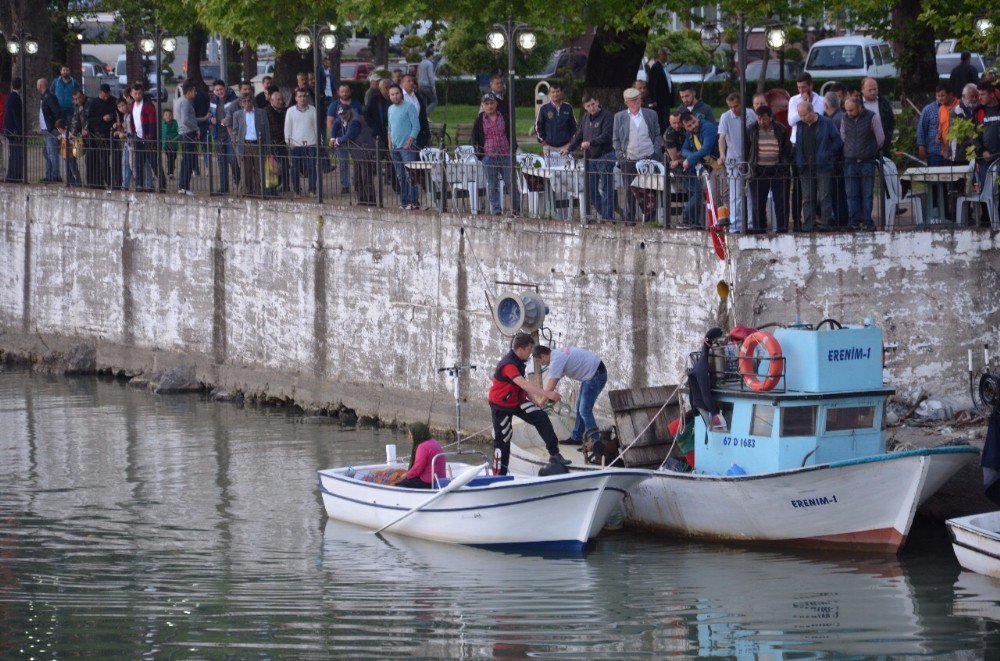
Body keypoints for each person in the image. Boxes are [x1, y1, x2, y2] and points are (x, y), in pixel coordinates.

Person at [488, 333, 566, 475]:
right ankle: (498, 476)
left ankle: (555, 454)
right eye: (529, 350)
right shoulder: (509, 365)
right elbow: (523, 383)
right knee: (503, 439)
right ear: (521, 349)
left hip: (516, 402)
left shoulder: (519, 362)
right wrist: (548, 394)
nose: (531, 354)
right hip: (501, 406)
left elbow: (522, 386)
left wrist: (534, 400)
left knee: (540, 417)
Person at [532, 345, 607, 447]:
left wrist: (540, 403)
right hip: (593, 373)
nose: (540, 364)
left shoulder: (556, 360)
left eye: (538, 361)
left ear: (543, 356)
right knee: (580, 408)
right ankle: (577, 438)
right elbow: (555, 379)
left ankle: (596, 443)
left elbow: (550, 388)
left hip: (595, 375)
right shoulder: (557, 354)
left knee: (584, 410)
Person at [612, 86, 662, 224]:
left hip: (649, 156)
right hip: (629, 158)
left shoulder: (651, 114)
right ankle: (630, 219)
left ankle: (651, 219)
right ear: (626, 102)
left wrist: (656, 152)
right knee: (629, 190)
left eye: (638, 99)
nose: (636, 102)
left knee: (650, 188)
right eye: (632, 100)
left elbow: (657, 134)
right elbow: (615, 139)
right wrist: (620, 156)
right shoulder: (620, 117)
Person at [562, 95, 615, 221]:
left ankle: (608, 217)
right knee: (591, 190)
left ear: (597, 102)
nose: (592, 108)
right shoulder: (586, 118)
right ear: (585, 108)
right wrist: (569, 148)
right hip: (591, 158)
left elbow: (606, 135)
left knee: (606, 188)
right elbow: (579, 135)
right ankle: (605, 213)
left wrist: (590, 142)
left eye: (593, 104)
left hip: (605, 156)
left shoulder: (607, 116)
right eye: (588, 106)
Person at [794, 101, 841, 232]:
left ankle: (826, 224)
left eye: (804, 115)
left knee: (825, 196)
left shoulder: (826, 123)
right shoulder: (800, 125)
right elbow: (798, 145)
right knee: (807, 198)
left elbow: (837, 141)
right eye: (800, 115)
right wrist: (799, 160)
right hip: (805, 167)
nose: (802, 118)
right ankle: (808, 225)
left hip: (823, 165)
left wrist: (828, 155)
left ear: (812, 111)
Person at [747, 105, 792, 233]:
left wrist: (784, 164)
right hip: (758, 169)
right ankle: (759, 230)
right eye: (759, 119)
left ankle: (782, 230)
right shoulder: (751, 129)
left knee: (781, 202)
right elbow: (747, 149)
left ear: (771, 117)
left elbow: (787, 149)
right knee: (758, 203)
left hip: (778, 169)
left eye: (765, 119)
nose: (762, 122)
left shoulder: (780, 129)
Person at [841, 97, 885, 230]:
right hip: (850, 160)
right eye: (847, 110)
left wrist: (869, 150)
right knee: (851, 193)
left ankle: (867, 221)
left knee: (867, 193)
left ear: (859, 107)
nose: (849, 113)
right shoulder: (845, 119)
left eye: (852, 110)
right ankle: (853, 221)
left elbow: (880, 138)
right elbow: (843, 136)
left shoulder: (872, 117)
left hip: (867, 160)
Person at [717, 93, 757, 233]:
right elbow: (721, 138)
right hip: (733, 160)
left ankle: (750, 224)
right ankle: (735, 225)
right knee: (735, 195)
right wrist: (722, 154)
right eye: (731, 107)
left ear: (742, 104)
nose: (734, 109)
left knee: (750, 193)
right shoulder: (725, 117)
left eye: (736, 106)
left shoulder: (750, 114)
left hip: (749, 159)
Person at [679, 111, 719, 227]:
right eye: (689, 126)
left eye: (694, 122)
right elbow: (684, 150)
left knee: (718, 197)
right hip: (709, 167)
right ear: (685, 128)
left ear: (696, 118)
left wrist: (690, 159)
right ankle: (711, 224)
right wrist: (691, 157)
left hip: (719, 165)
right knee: (710, 196)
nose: (693, 126)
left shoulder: (708, 128)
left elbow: (705, 149)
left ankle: (718, 224)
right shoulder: (690, 133)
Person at [332, 105, 377, 205]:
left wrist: (338, 140)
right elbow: (335, 123)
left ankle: (371, 201)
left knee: (366, 178)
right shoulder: (343, 118)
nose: (342, 116)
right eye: (340, 114)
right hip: (357, 153)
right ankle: (362, 200)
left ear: (349, 111)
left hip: (365, 151)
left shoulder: (355, 121)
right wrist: (332, 138)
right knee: (357, 178)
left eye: (344, 113)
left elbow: (350, 135)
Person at [387, 84, 420, 210]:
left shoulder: (409, 107)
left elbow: (416, 127)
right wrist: (389, 143)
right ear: (389, 96)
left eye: (397, 93)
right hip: (394, 148)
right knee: (400, 176)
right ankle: (404, 201)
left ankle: (414, 202)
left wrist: (409, 142)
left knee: (409, 175)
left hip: (407, 148)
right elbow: (389, 128)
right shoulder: (390, 109)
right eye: (392, 94)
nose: (395, 96)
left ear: (401, 94)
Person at [231, 92, 270, 197]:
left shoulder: (261, 113)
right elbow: (235, 130)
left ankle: (258, 191)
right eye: (244, 101)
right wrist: (236, 141)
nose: (247, 103)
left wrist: (267, 147)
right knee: (245, 170)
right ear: (241, 104)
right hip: (245, 145)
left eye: (249, 101)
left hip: (257, 144)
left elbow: (266, 130)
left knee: (259, 170)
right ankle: (247, 191)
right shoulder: (238, 114)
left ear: (252, 102)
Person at [326, 84, 363, 194]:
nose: (344, 94)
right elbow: (331, 122)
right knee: (343, 162)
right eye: (342, 91)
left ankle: (358, 183)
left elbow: (361, 121)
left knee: (358, 162)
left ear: (350, 91)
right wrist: (334, 137)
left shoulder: (356, 104)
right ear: (338, 92)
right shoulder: (334, 105)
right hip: (341, 139)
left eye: (346, 91)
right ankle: (345, 185)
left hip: (355, 139)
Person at [284, 88, 318, 197]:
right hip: (296, 144)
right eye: (300, 96)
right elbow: (287, 128)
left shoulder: (313, 110)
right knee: (295, 169)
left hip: (311, 143)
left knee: (312, 168)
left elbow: (316, 127)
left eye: (304, 96)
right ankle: (297, 190)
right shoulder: (290, 111)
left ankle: (312, 190)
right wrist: (289, 143)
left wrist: (316, 141)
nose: (302, 98)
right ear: (295, 98)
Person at [394, 422, 446, 489]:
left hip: (429, 482)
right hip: (440, 478)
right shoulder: (434, 442)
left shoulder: (422, 447)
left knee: (399, 484)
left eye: (411, 435)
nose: (409, 437)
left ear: (417, 434)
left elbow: (418, 468)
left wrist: (405, 475)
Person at [86, 83, 117, 188]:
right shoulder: (94, 103)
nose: (106, 97)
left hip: (111, 133)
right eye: (104, 95)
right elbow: (90, 120)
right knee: (100, 160)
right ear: (100, 93)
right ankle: (100, 181)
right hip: (98, 134)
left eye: (107, 95)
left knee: (108, 159)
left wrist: (111, 118)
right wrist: (101, 119)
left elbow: (117, 114)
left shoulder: (113, 101)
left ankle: (111, 182)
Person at [535, 82, 576, 153]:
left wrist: (572, 140)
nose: (555, 94)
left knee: (567, 165)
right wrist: (542, 140)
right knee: (549, 165)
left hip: (565, 146)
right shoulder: (544, 109)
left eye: (557, 91)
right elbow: (538, 126)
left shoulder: (568, 107)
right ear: (549, 94)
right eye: (553, 92)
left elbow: (574, 125)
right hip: (549, 146)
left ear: (562, 93)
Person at [174, 80, 199, 196]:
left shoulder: (179, 101)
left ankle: (182, 186)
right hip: (188, 134)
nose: (195, 93)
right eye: (194, 91)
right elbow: (185, 120)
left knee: (186, 161)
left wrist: (203, 119)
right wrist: (196, 128)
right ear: (188, 91)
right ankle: (184, 186)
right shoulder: (186, 102)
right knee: (189, 161)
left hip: (182, 134)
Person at [861, 78, 895, 158]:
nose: (873, 92)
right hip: (864, 148)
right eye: (870, 90)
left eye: (875, 89)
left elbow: (891, 121)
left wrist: (887, 138)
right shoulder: (857, 104)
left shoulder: (884, 102)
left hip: (883, 147)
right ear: (862, 90)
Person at [38, 78, 62, 182]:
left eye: (37, 85)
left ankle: (55, 175)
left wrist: (53, 127)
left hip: (50, 129)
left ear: (40, 86)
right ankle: (50, 175)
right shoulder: (46, 97)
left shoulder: (48, 97)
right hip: (46, 129)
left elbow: (56, 112)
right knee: (46, 153)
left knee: (52, 153)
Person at [646, 47, 674, 130]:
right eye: (665, 54)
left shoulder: (664, 67)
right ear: (660, 55)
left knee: (666, 119)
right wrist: (653, 99)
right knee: (662, 120)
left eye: (668, 55)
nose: (666, 57)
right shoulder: (656, 67)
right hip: (660, 100)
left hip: (666, 100)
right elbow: (652, 84)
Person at [3, 77, 24, 183]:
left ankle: (12, 175)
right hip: (14, 131)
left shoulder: (10, 97)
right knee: (16, 153)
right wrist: (20, 130)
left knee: (13, 153)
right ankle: (15, 175)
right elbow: (17, 116)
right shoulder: (16, 98)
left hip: (8, 129)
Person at [417, 48, 438, 115]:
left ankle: (423, 117)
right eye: (432, 56)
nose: (433, 58)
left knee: (423, 103)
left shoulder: (421, 63)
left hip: (420, 85)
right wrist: (433, 86)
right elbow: (430, 76)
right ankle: (425, 115)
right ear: (430, 55)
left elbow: (418, 74)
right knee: (435, 101)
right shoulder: (429, 64)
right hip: (427, 85)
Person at [160, 108, 179, 180]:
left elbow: (179, 133)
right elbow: (160, 133)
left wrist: (174, 140)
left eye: (170, 115)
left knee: (173, 158)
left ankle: (171, 169)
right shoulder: (162, 124)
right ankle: (170, 173)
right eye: (166, 115)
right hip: (166, 145)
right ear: (163, 117)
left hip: (174, 145)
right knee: (169, 158)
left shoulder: (175, 123)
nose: (168, 116)